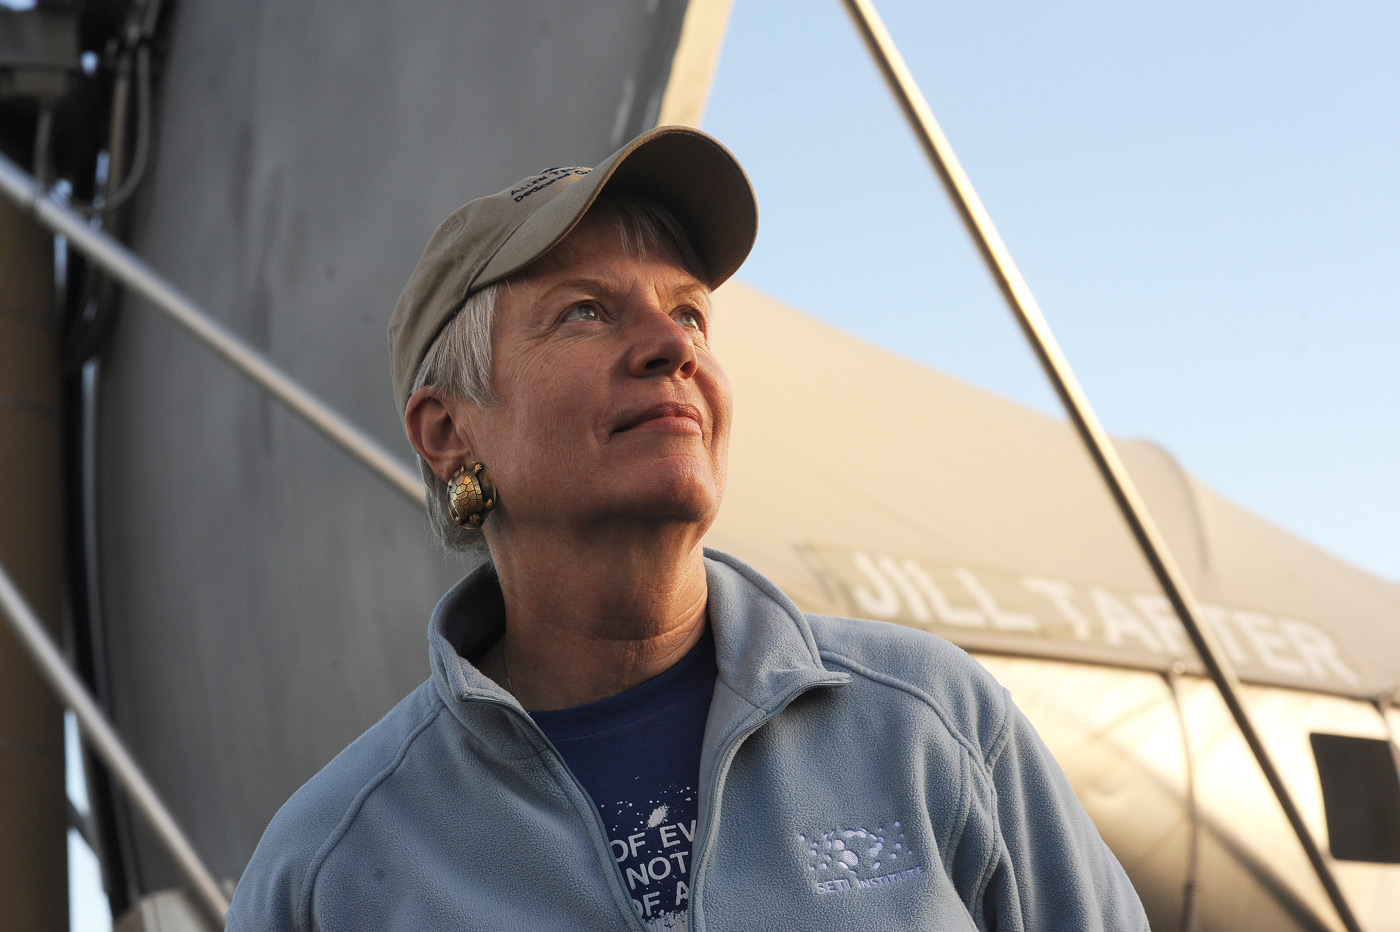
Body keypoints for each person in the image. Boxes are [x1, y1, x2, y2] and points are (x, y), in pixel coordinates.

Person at [226, 126, 1148, 931]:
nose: (674, 347)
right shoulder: (329, 868)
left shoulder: (928, 726)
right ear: (448, 432)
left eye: (690, 313)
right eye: (585, 311)